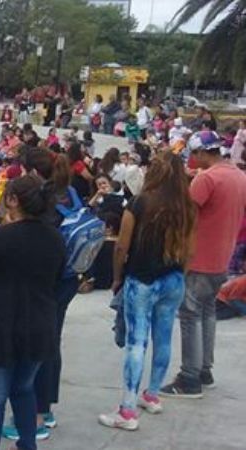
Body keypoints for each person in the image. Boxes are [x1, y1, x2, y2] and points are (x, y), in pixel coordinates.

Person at [97, 152, 196, 430]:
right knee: (163, 337)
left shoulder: (140, 203)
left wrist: (117, 277)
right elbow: (189, 249)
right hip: (174, 277)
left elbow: (121, 246)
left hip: (142, 279)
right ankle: (152, 394)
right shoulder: (187, 206)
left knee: (136, 342)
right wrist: (181, 275)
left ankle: (127, 409)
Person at [0, 175, 66, 450]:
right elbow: (57, 280)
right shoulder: (55, 238)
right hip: (39, 325)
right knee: (23, 389)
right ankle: (27, 444)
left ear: (12, 200)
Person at [161, 131, 246, 397]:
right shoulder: (238, 175)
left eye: (193, 154)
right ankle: (204, 369)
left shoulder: (207, 179)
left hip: (199, 257)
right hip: (222, 257)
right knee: (208, 314)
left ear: (201, 153)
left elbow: (183, 214)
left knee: (190, 316)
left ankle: (189, 377)